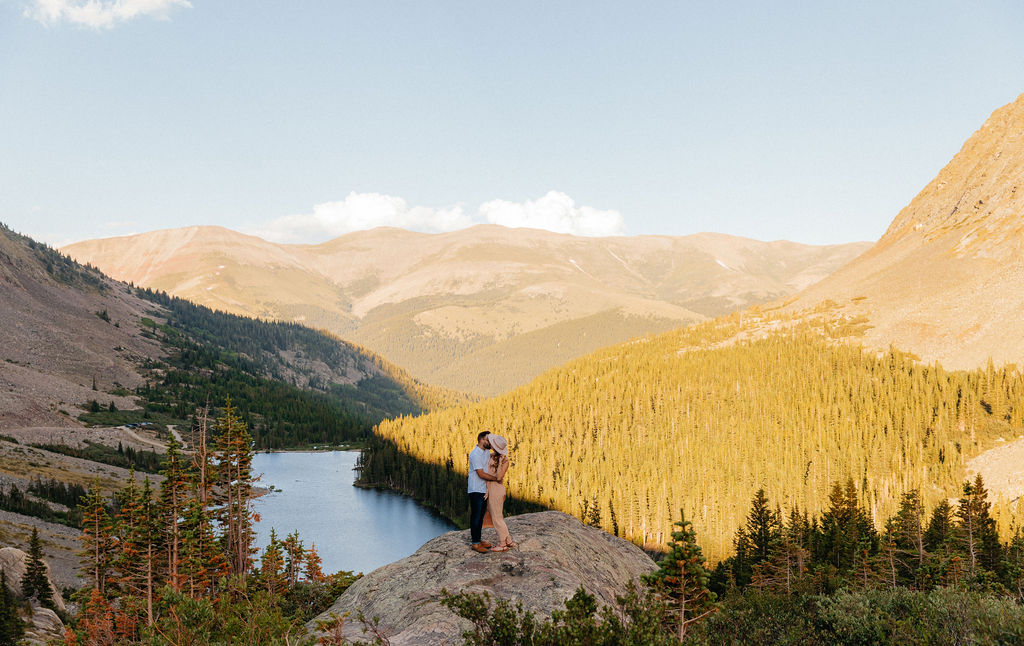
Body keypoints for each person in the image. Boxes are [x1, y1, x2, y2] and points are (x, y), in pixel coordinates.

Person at [468, 431, 502, 554]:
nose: (490, 442)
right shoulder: (475, 454)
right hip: (476, 488)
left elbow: (492, 458)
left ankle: (478, 539)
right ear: (482, 440)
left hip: (484, 489)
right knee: (476, 516)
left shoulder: (486, 452)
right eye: (488, 440)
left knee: (481, 515)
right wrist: (496, 479)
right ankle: (475, 543)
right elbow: (480, 474)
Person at [484, 433, 514, 551]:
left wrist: (501, 463)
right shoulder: (490, 456)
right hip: (492, 489)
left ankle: (502, 544)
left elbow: (499, 477)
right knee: (498, 516)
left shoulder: (505, 461)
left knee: (496, 518)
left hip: (496, 489)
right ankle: (509, 540)